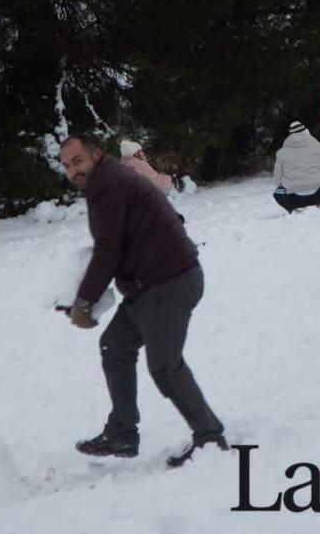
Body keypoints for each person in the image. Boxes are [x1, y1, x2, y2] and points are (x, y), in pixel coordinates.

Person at [57, 133, 226, 468]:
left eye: (78, 161)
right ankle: (122, 432)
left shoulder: (107, 185)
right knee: (115, 345)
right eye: (66, 166)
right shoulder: (105, 182)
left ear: (97, 155)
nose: (73, 170)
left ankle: (209, 438)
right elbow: (115, 246)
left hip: (169, 281)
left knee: (165, 366)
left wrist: (84, 303)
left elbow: (108, 252)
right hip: (148, 285)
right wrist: (81, 295)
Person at [272, 121, 320, 213]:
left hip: (294, 198)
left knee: (277, 193)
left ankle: (293, 209)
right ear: (307, 132)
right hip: (319, 194)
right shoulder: (318, 147)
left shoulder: (281, 153)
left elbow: (277, 181)